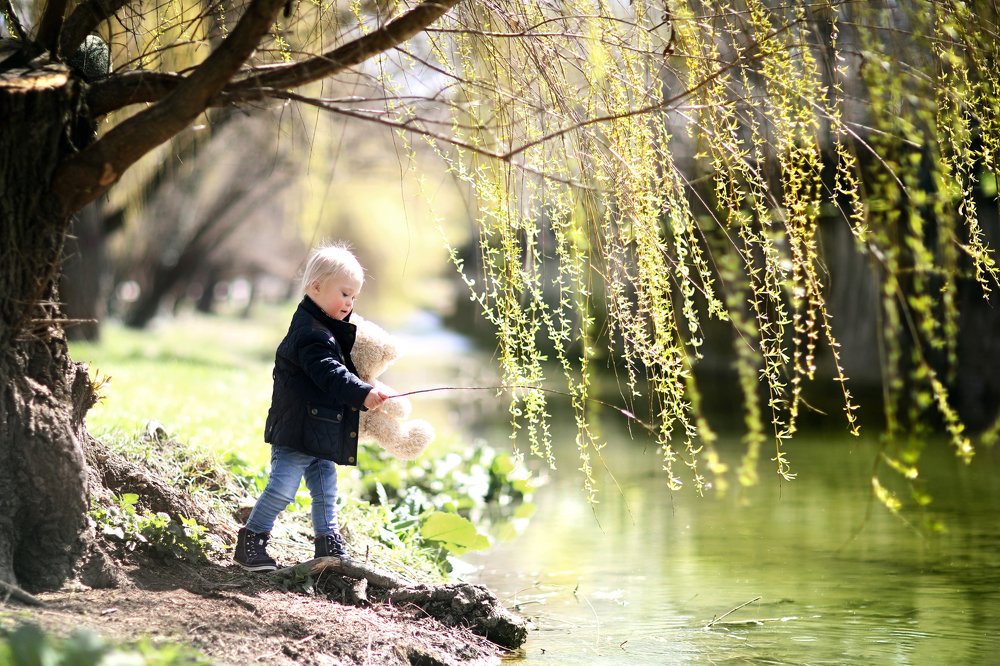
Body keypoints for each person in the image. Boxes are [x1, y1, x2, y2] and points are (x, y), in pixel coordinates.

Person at [234, 243, 388, 572]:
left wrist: (367, 387)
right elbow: (330, 374)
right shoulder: (310, 334)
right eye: (344, 294)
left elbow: (342, 370)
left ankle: (327, 540)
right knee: (282, 488)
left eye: (354, 297)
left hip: (320, 427)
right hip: (297, 430)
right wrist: (361, 394)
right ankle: (251, 539)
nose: (349, 303)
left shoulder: (328, 329)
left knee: (325, 490)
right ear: (315, 287)